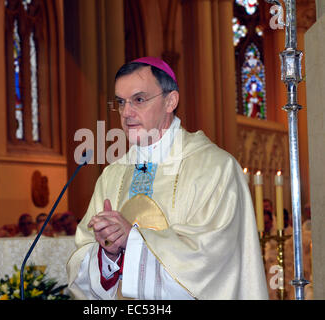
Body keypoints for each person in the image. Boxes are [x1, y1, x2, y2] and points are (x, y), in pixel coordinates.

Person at [67, 57, 268, 300]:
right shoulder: (113, 175)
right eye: (121, 102)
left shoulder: (215, 168)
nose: (126, 113)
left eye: (139, 100)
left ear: (170, 101)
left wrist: (132, 239)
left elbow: (214, 258)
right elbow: (83, 254)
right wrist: (108, 254)